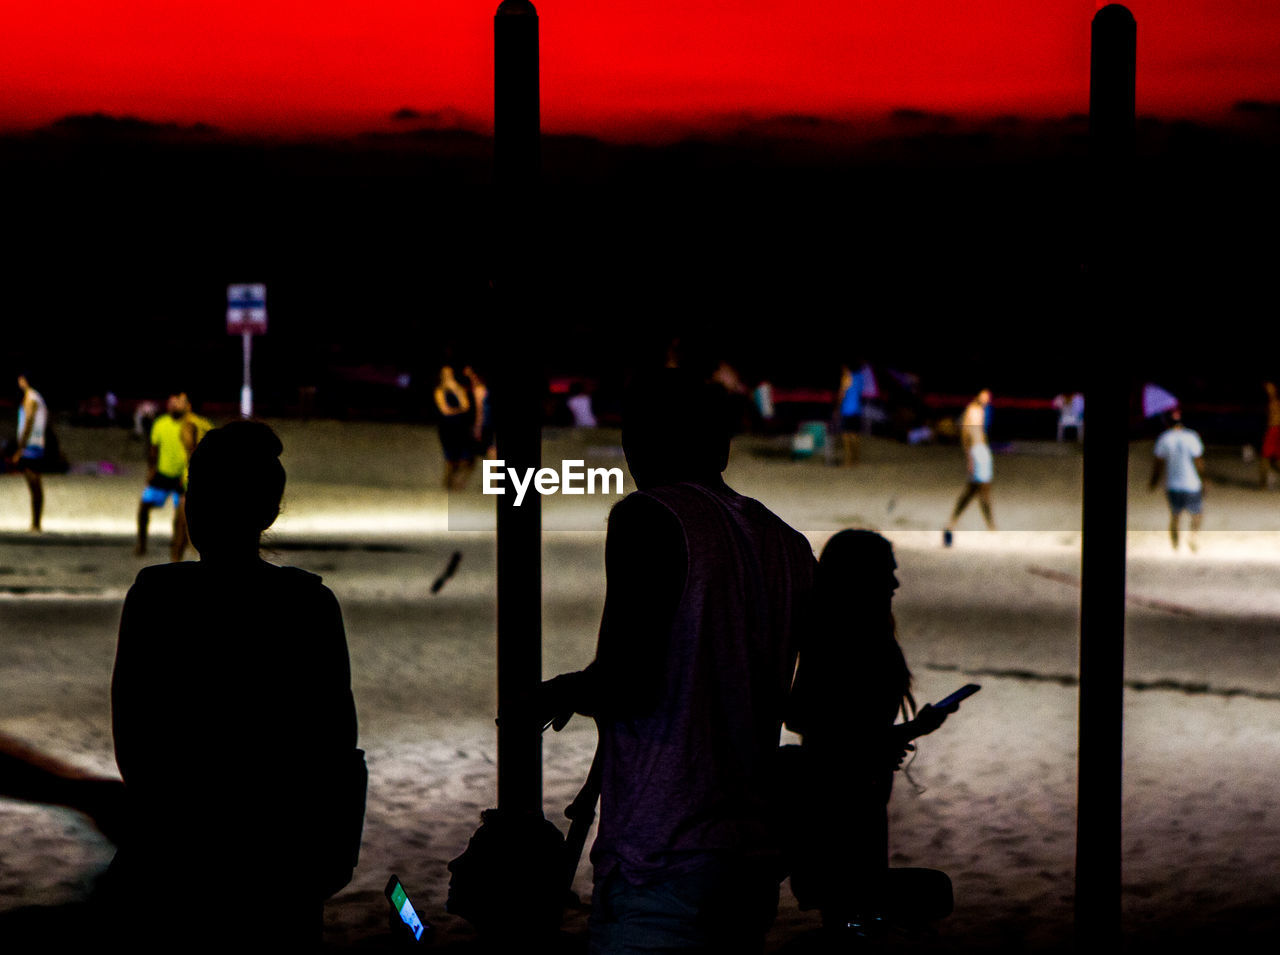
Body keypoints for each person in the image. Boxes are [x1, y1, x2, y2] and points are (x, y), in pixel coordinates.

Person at [533, 367, 817, 954]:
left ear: (641, 441)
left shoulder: (650, 516)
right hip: (751, 849)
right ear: (722, 445)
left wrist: (561, 692)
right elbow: (805, 704)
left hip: (664, 844)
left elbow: (629, 681)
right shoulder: (788, 544)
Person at [106, 420, 363, 951]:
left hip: (173, 860)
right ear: (268, 511)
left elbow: (133, 747)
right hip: (278, 866)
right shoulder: (309, 605)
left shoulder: (156, 598)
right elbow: (335, 750)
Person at [785, 530, 957, 935]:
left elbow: (839, 725)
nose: (896, 584)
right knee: (850, 909)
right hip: (840, 795)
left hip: (861, 788)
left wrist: (910, 730)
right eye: (887, 574)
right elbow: (813, 719)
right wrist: (885, 740)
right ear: (860, 577)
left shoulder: (860, 631)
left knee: (852, 912)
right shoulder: (839, 637)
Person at [135, 393, 197, 560]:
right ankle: (141, 543)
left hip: (183, 478)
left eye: (177, 403)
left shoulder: (193, 425)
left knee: (180, 519)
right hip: (163, 474)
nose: (173, 406)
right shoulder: (161, 423)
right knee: (143, 506)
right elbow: (154, 450)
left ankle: (175, 557)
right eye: (171, 403)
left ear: (187, 405)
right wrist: (151, 470)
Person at [943, 389, 996, 545]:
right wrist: (970, 457)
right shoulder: (973, 411)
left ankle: (954, 520)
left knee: (973, 490)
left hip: (980, 451)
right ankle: (990, 525)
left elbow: (978, 434)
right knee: (980, 489)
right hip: (977, 453)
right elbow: (967, 435)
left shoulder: (979, 411)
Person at [1150, 408, 1205, 551]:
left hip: (1173, 484)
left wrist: (1153, 482)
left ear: (1167, 422)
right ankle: (1193, 536)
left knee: (1175, 515)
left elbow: (1158, 464)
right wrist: (1204, 479)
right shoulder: (1192, 436)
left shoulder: (1164, 438)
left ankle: (1175, 545)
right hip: (1192, 483)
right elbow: (1199, 462)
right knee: (1197, 514)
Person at [9, 374, 48, 531]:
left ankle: (36, 522)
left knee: (33, 482)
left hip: (31, 445)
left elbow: (29, 420)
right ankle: (36, 522)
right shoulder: (38, 397)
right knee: (35, 483)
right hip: (37, 443)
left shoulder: (30, 398)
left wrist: (20, 447)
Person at [434, 365, 474, 490]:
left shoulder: (459, 389)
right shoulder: (439, 391)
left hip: (461, 427)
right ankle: (447, 484)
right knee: (450, 459)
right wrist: (459, 410)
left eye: (450, 374)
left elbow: (466, 405)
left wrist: (455, 389)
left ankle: (457, 484)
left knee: (465, 459)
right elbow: (444, 410)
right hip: (447, 428)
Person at [836, 362, 866, 466]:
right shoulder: (860, 377)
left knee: (846, 434)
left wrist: (837, 407)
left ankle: (849, 460)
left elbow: (841, 394)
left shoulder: (846, 378)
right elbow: (860, 392)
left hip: (847, 409)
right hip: (857, 409)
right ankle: (856, 459)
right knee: (855, 434)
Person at [1259, 382, 1280, 489]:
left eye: (1270, 387)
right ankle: (1263, 483)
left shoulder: (1276, 402)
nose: (1268, 390)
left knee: (1265, 457)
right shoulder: (1270, 402)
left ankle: (1263, 484)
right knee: (1273, 459)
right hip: (1273, 430)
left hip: (1275, 430)